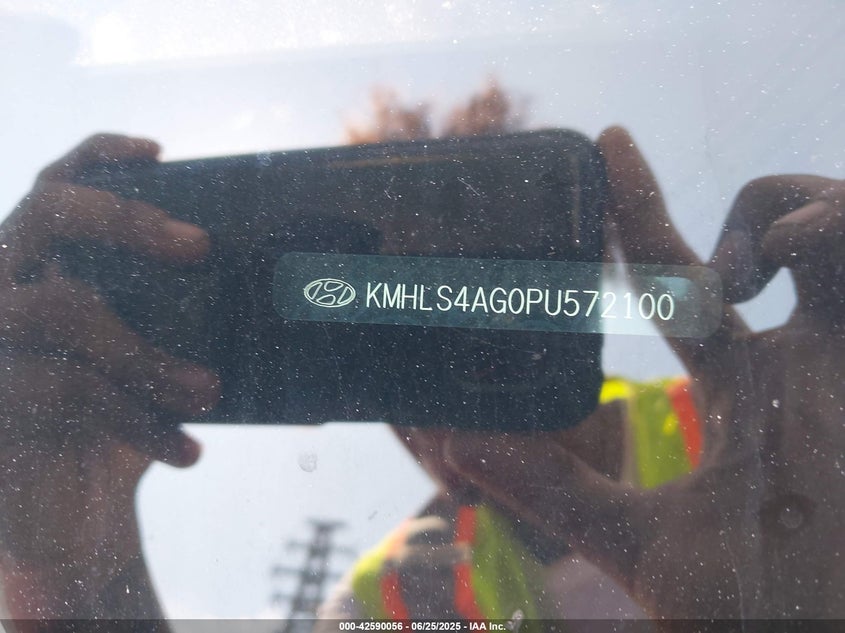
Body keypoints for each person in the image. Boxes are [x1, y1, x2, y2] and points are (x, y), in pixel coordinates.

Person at [1, 127, 844, 627]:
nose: (422, 397)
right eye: (367, 336)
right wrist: (73, 579)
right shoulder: (390, 601)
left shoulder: (803, 435)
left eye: (455, 308)